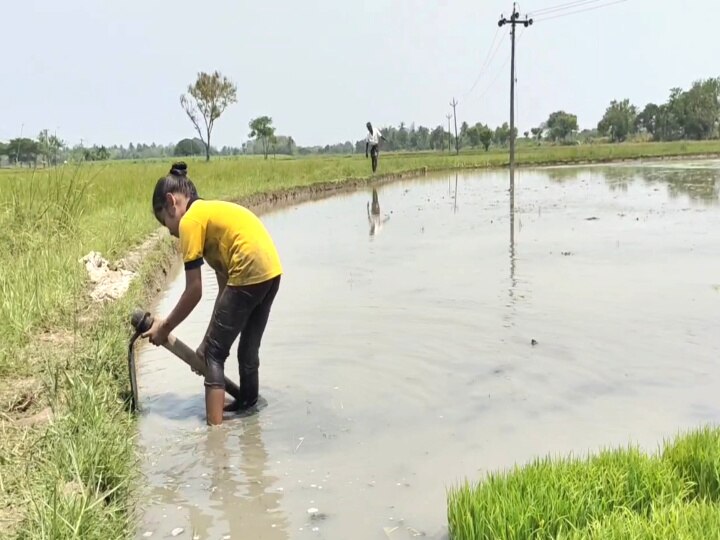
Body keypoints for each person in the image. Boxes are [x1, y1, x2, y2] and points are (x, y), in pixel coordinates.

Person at [143, 162, 283, 426]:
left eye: (166, 222)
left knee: (215, 356)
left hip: (249, 265)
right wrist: (208, 338)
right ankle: (248, 410)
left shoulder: (190, 223)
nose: (171, 232)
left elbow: (194, 291)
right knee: (247, 349)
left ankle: (214, 436)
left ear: (172, 202)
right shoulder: (209, 217)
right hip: (270, 269)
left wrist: (165, 327)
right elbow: (224, 295)